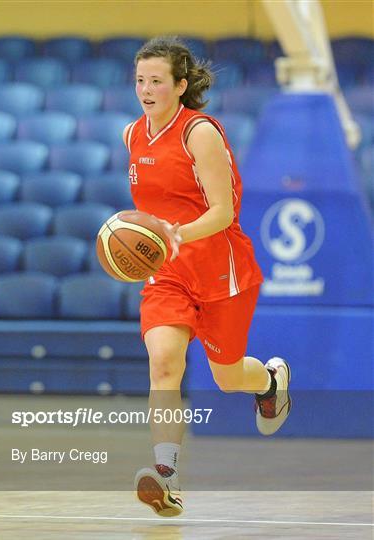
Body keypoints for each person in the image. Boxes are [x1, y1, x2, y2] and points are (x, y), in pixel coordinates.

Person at [122, 36, 291, 517]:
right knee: (164, 364)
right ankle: (165, 474)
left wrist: (177, 233)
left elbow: (223, 211)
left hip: (222, 269)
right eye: (140, 80)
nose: (146, 89)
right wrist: (139, 239)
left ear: (180, 85)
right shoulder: (132, 135)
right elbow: (148, 210)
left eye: (156, 81)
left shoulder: (200, 133)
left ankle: (271, 382)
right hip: (168, 272)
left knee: (228, 377)